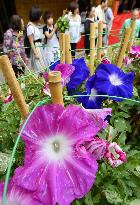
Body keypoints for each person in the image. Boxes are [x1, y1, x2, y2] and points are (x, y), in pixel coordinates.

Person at [27, 6, 46, 73]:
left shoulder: (34, 25)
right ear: (36, 16)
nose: (41, 17)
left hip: (39, 47)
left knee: (43, 67)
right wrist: (36, 54)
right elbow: (31, 42)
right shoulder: (30, 27)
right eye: (40, 15)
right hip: (36, 48)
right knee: (39, 68)